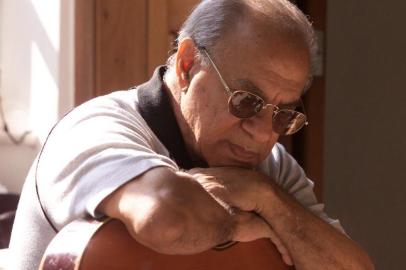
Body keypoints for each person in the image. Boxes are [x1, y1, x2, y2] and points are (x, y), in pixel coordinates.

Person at [10, 0, 374, 269]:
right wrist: (248, 223)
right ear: (187, 65)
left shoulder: (271, 170)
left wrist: (266, 198)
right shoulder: (94, 129)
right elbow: (165, 220)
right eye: (246, 101)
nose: (263, 135)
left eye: (282, 115)